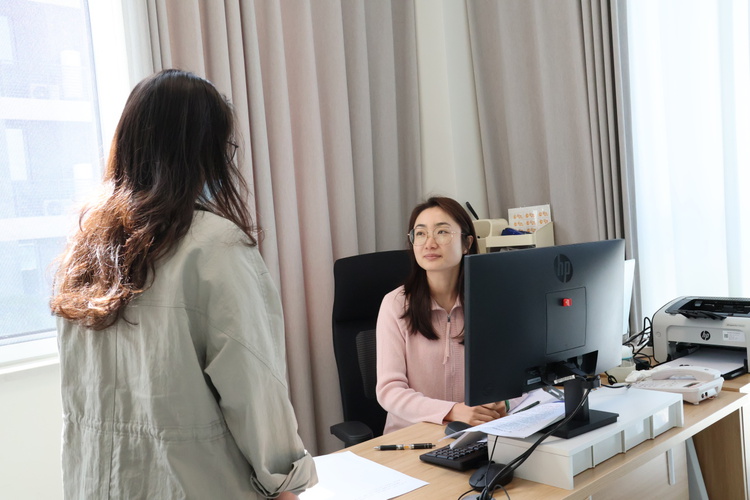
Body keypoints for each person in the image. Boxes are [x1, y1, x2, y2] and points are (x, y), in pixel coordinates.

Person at [50, 69, 316, 499]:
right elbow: (254, 387)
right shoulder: (215, 246)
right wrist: (284, 482)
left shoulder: (84, 251)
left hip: (97, 484)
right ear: (204, 152)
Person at [375, 197, 510, 434]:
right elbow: (389, 391)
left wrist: (505, 402)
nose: (429, 243)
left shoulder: (490, 301)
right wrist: (452, 411)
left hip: (477, 432)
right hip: (412, 436)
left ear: (467, 243)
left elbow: (517, 376)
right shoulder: (395, 305)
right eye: (420, 234)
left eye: (442, 232)